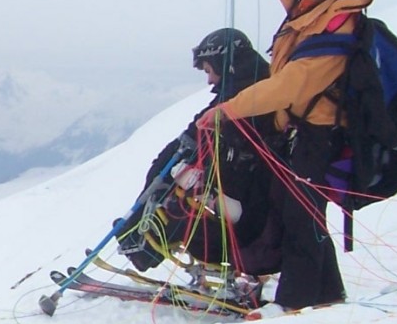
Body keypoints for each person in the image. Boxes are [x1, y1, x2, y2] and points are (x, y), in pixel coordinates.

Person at [197, 0, 375, 316]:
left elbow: (289, 85)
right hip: (294, 126)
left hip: (318, 131)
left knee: (301, 209)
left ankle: (295, 303)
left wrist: (227, 110)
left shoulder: (341, 26)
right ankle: (328, 293)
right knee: (297, 204)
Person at [117, 27, 280, 277]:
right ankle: (136, 240)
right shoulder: (252, 93)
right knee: (177, 190)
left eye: (208, 70)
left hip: (252, 231)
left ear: (223, 64)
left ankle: (139, 249)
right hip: (260, 220)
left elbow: (200, 144)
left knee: (175, 211)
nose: (209, 80)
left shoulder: (241, 103)